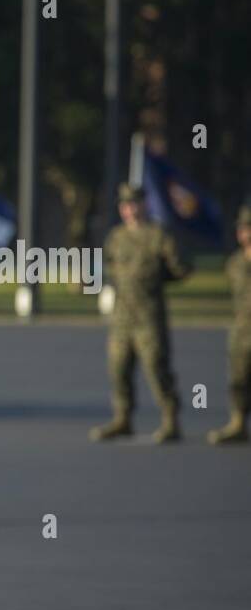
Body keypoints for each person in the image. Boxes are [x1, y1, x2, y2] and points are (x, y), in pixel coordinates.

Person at [90, 183, 191, 443]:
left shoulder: (158, 234)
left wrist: (159, 278)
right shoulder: (117, 237)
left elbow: (181, 268)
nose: (130, 210)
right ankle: (122, 418)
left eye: (134, 204)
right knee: (118, 368)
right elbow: (108, 266)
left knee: (157, 367)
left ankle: (171, 420)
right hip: (122, 316)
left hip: (149, 315)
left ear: (144, 204)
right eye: (125, 205)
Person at [208, 205, 251, 444]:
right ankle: (238, 423)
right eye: (244, 229)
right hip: (242, 330)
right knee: (238, 380)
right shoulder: (234, 263)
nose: (247, 234)